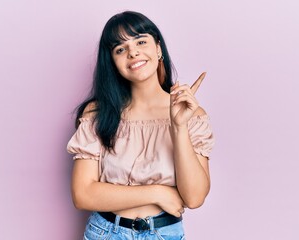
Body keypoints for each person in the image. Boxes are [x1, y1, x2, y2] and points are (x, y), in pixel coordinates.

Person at [67, 11, 214, 239]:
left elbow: (194, 198)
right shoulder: (98, 113)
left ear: (158, 48)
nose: (133, 51)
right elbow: (83, 194)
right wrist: (157, 193)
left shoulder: (190, 113)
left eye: (141, 41)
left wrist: (179, 127)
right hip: (105, 232)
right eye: (120, 49)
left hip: (164, 234)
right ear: (113, 62)